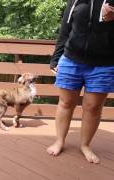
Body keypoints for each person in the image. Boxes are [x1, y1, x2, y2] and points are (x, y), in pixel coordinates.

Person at [47, 0, 114, 164]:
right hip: (71, 59)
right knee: (66, 103)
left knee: (93, 107)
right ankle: (60, 141)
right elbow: (65, 30)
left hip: (103, 64)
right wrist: (55, 59)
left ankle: (85, 145)